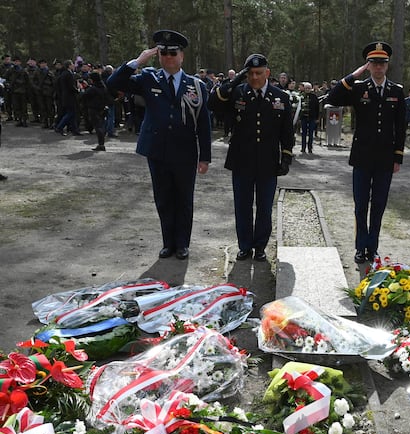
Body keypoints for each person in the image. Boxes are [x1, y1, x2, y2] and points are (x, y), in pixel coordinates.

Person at [107, 29, 212, 260]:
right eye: (163, 53)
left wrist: (205, 156)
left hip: (185, 152)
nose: (168, 58)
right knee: (163, 198)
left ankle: (182, 244)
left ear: (182, 56)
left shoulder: (196, 85)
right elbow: (113, 82)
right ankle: (168, 243)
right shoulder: (148, 77)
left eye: (172, 53)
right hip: (158, 150)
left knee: (184, 199)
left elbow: (204, 123)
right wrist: (138, 60)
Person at [326, 41, 406, 264]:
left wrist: (398, 156)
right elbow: (333, 98)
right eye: (374, 63)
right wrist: (353, 76)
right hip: (362, 157)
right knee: (361, 205)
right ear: (368, 66)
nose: (378, 67)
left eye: (382, 63)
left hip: (385, 159)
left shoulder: (396, 91)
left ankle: (373, 247)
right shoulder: (359, 88)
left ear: (387, 66)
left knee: (378, 205)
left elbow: (400, 127)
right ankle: (361, 247)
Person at [209, 53, 293, 263]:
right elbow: (213, 103)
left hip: (268, 163)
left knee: (264, 208)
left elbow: (287, 132)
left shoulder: (280, 97)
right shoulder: (237, 93)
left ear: (267, 72)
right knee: (242, 206)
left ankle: (260, 247)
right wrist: (236, 79)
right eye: (250, 74)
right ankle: (244, 246)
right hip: (241, 161)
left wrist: (286, 157)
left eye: (258, 73)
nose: (255, 78)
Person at [83, 71, 112, 151]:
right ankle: (101, 143)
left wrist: (85, 88)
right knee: (101, 126)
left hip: (93, 109)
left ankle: (101, 144)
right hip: (102, 108)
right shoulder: (103, 87)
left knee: (98, 127)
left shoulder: (92, 89)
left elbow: (84, 96)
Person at [298, 82, 319, 153]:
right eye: (306, 88)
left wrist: (317, 118)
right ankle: (303, 148)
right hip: (303, 117)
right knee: (303, 133)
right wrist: (299, 118)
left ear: (311, 89)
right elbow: (299, 108)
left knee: (310, 133)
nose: (307, 89)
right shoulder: (301, 96)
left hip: (312, 118)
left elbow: (317, 108)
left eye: (309, 88)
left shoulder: (314, 97)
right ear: (304, 88)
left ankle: (310, 148)